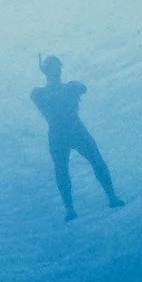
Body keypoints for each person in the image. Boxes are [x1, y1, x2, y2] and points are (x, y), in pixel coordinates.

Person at [31, 56, 124, 221]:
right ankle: (73, 208)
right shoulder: (42, 92)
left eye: (56, 67)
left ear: (59, 69)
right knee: (64, 169)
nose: (55, 71)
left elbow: (82, 88)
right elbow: (78, 89)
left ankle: (110, 197)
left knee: (92, 161)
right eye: (51, 68)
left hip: (70, 130)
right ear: (46, 71)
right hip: (65, 132)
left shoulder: (61, 88)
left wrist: (69, 88)